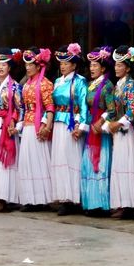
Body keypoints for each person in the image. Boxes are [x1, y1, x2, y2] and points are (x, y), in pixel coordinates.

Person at [50, 43, 88, 216]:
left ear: (74, 65)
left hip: (71, 123)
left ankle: (73, 198)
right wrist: (46, 121)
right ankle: (62, 197)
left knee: (71, 159)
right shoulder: (58, 81)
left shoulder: (79, 81)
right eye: (61, 63)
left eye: (66, 63)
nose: (63, 66)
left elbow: (83, 105)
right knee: (59, 159)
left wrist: (80, 125)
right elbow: (52, 103)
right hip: (58, 121)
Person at [17, 46, 55, 211]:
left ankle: (41, 199)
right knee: (27, 163)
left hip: (38, 125)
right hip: (27, 124)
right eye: (26, 64)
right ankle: (30, 198)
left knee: (39, 162)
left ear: (38, 66)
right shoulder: (26, 84)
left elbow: (50, 107)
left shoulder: (46, 84)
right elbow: (24, 108)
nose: (27, 67)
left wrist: (46, 125)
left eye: (31, 64)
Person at [80, 46, 116, 214]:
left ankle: (101, 204)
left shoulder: (107, 85)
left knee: (101, 164)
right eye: (91, 65)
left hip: (100, 130)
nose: (92, 68)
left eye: (95, 66)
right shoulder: (89, 85)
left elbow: (112, 109)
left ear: (103, 68)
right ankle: (90, 203)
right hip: (90, 128)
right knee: (88, 165)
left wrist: (100, 122)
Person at [0, 47, 23, 212]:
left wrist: (14, 122)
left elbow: (20, 108)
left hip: (7, 127)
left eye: (3, 65)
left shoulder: (15, 86)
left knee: (7, 163)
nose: (0, 68)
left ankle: (7, 197)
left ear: (9, 67)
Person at [109, 45, 134, 219]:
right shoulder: (117, 85)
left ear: (128, 67)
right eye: (116, 64)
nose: (117, 68)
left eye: (120, 65)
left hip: (127, 130)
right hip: (117, 129)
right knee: (119, 166)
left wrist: (118, 124)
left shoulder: (131, 85)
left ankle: (129, 205)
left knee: (127, 166)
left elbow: (132, 111)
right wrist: (106, 123)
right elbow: (113, 109)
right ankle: (121, 202)